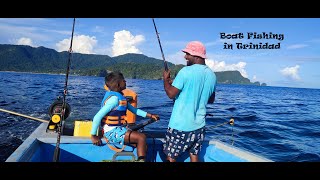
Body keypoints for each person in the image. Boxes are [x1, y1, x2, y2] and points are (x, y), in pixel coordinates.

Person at [162, 41, 217, 162]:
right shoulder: (212, 75)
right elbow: (211, 99)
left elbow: (171, 94)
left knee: (171, 157)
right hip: (199, 126)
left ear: (196, 56)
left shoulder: (185, 71)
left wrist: (166, 80)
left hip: (180, 126)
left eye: (187, 54)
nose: (185, 56)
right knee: (194, 155)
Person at [90, 71, 160, 162]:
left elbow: (134, 110)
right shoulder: (114, 100)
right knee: (141, 137)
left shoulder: (121, 98)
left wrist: (150, 115)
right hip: (110, 131)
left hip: (120, 129)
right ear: (118, 84)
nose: (126, 82)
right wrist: (93, 135)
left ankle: (141, 159)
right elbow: (97, 117)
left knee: (143, 144)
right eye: (124, 81)